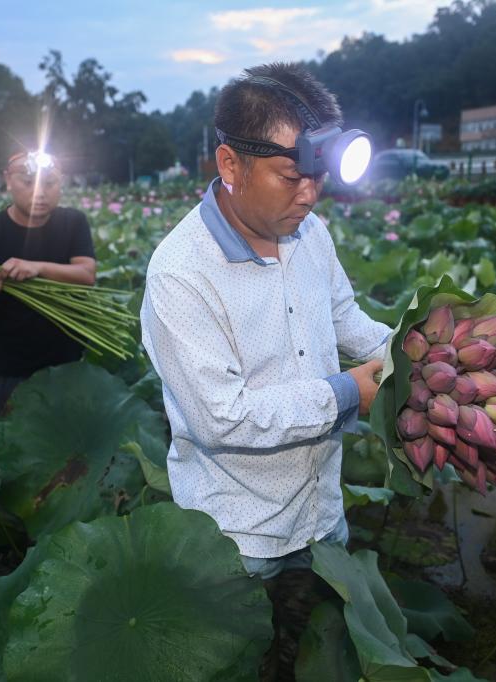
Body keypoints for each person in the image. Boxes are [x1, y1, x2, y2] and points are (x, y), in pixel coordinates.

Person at [140, 62, 388, 677]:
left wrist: (418, 349)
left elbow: (345, 318)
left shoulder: (311, 232)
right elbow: (224, 417)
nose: (309, 195)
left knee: (308, 656)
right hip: (237, 538)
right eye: (290, 177)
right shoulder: (179, 274)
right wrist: (349, 392)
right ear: (230, 165)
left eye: (319, 179)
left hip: (320, 515)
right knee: (241, 666)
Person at [0, 150, 96, 415]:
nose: (39, 193)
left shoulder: (74, 223)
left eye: (49, 183)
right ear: (7, 180)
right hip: (13, 369)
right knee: (20, 449)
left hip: (69, 364)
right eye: (28, 182)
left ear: (62, 182)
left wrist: (37, 267)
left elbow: (86, 275)